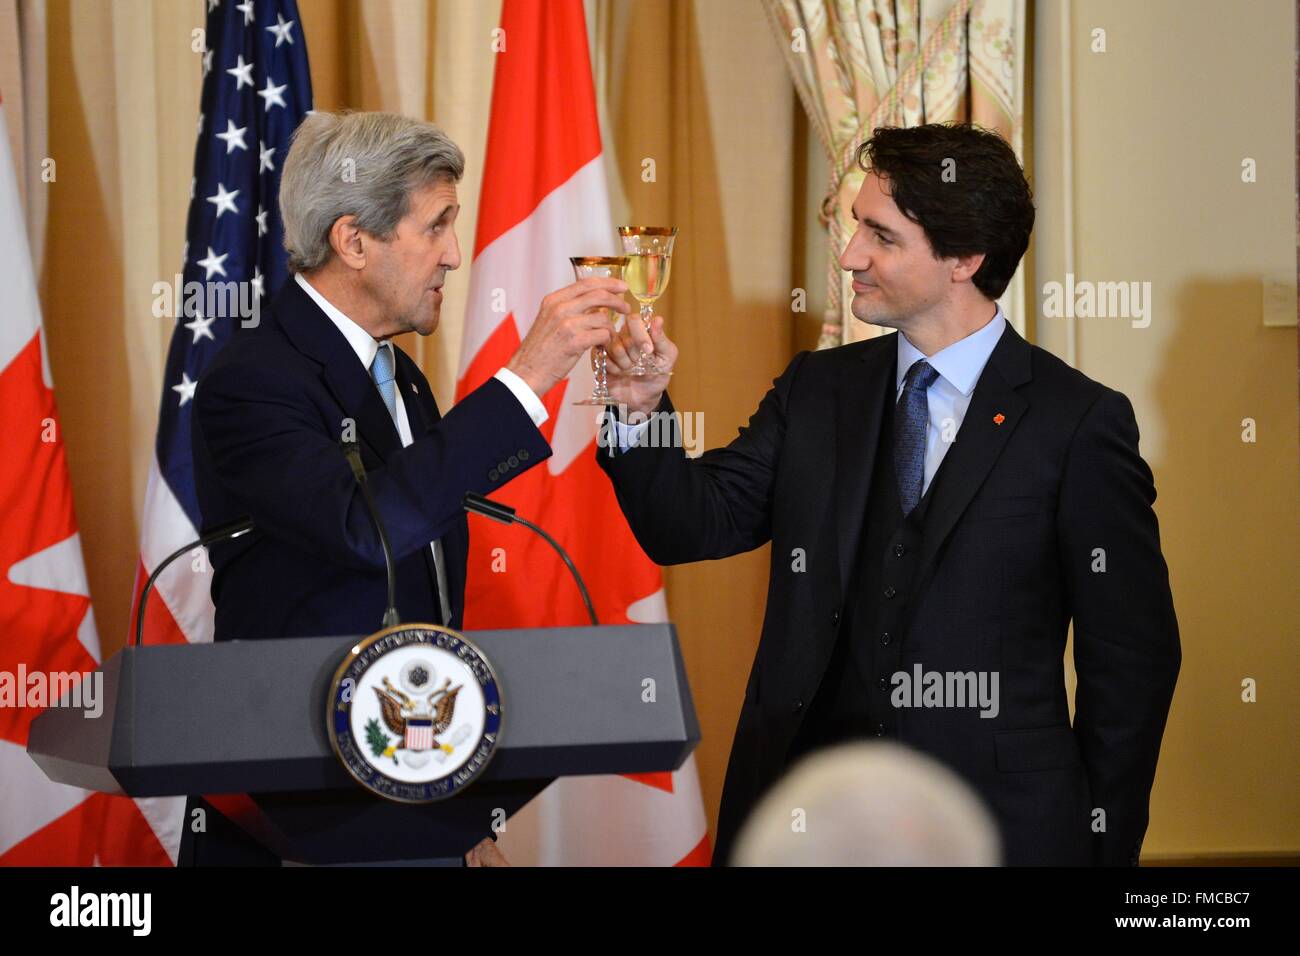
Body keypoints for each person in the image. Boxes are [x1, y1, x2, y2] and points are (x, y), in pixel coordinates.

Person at [600, 122, 1180, 867]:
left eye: (881, 236)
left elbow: (1132, 658)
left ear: (965, 259)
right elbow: (691, 526)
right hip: (805, 822)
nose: (849, 257)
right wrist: (640, 413)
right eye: (855, 230)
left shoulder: (1079, 423)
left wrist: (1101, 841)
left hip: (1004, 828)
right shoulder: (817, 389)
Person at [181, 110, 628, 866]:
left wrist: (456, 812)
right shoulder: (254, 379)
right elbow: (367, 526)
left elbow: (427, 593)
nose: (456, 255)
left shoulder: (400, 377)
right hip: (300, 818)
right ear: (353, 241)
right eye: (438, 226)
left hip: (402, 798)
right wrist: (529, 377)